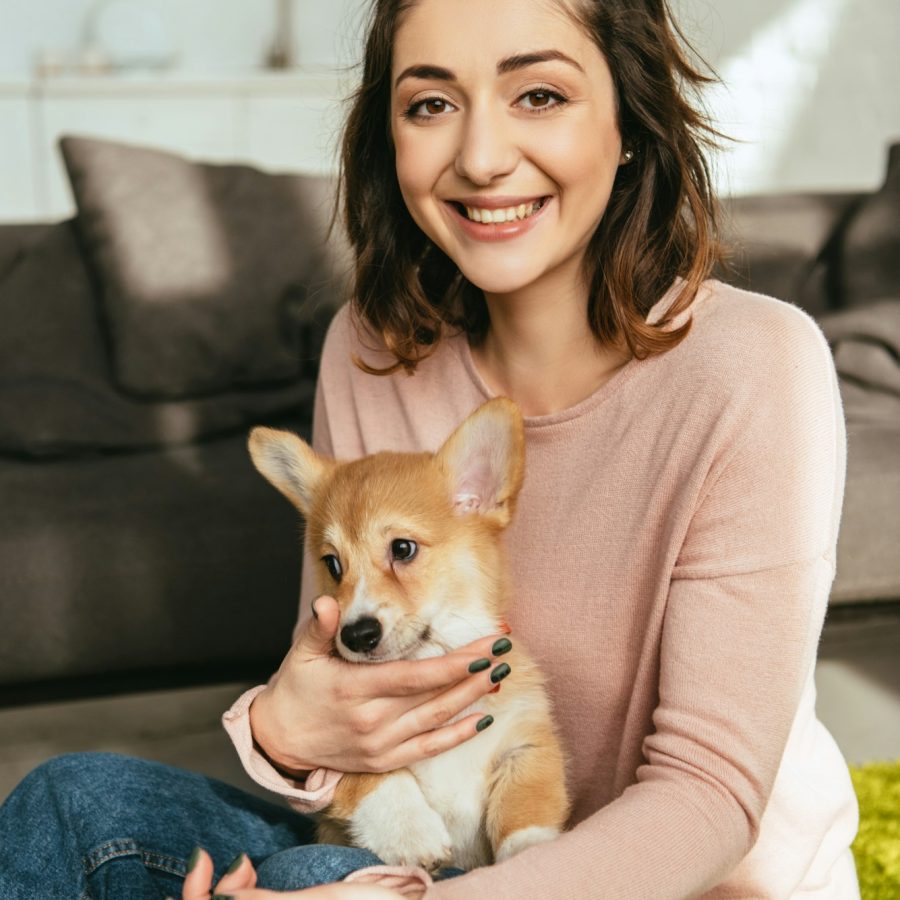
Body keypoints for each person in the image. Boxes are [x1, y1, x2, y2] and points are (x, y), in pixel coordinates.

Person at [0, 0, 861, 897]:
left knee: (315, 872)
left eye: (538, 94)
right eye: (431, 104)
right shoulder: (369, 348)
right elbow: (354, 686)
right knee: (74, 800)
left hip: (680, 881)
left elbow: (709, 800)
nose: (482, 159)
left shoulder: (753, 365)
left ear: (631, 120)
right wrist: (283, 732)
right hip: (425, 854)